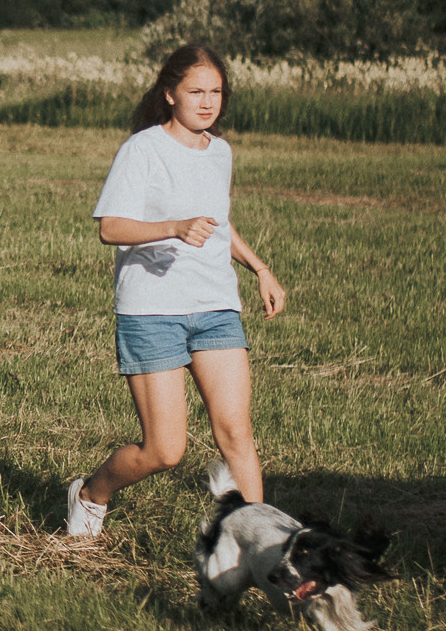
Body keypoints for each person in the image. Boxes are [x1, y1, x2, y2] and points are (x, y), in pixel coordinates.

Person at [66, 43, 286, 538]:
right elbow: (111, 228)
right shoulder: (142, 150)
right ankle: (90, 494)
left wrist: (260, 269)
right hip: (152, 311)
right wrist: (172, 227)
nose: (207, 103)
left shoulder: (221, 152)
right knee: (165, 450)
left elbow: (220, 224)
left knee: (236, 434)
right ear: (170, 94)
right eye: (195, 92)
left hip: (215, 307)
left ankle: (258, 546)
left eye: (216, 92)